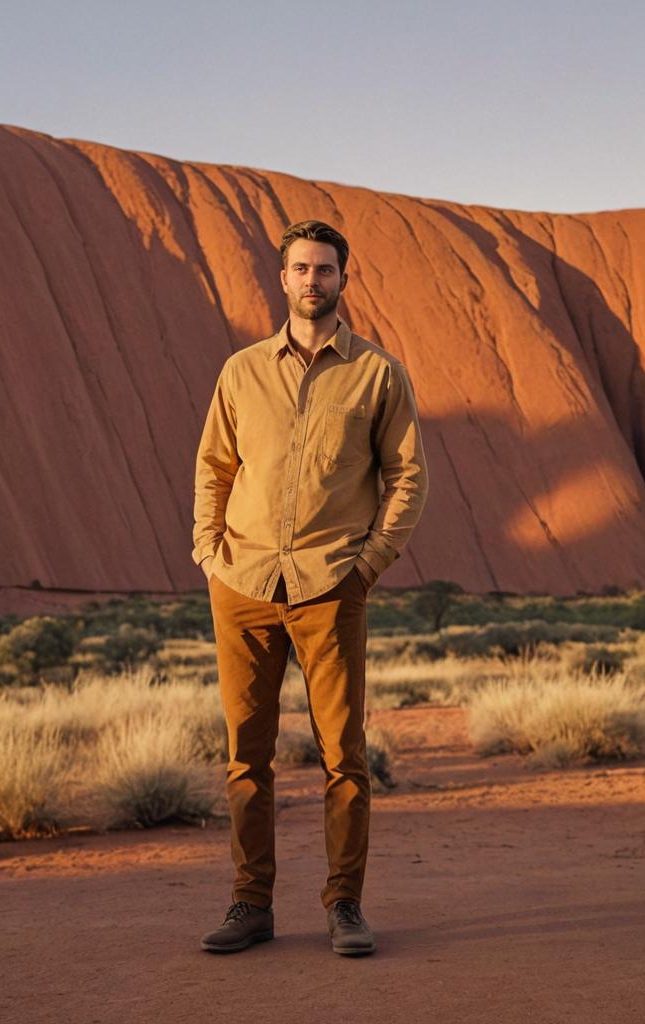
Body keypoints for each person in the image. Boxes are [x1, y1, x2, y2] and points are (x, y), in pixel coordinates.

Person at [192, 219, 429, 956]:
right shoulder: (241, 371)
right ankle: (249, 904)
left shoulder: (378, 374)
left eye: (324, 269)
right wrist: (209, 551)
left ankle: (344, 905)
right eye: (299, 268)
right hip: (244, 581)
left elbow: (407, 475)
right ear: (282, 277)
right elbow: (214, 466)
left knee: (344, 757)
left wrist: (368, 563)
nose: (311, 280)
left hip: (331, 584)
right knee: (245, 755)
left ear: (342, 280)